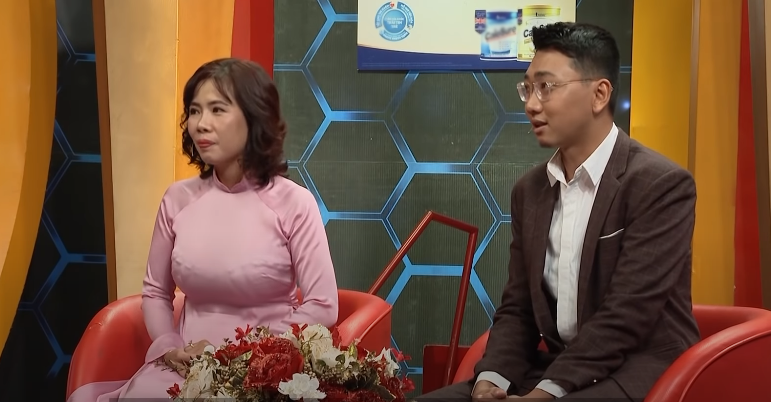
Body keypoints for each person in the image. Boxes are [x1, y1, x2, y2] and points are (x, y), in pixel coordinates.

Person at [417, 22, 699, 401]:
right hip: (558, 367)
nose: (532, 104)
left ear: (599, 94)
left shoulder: (660, 185)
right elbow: (518, 309)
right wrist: (490, 382)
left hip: (638, 372)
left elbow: (625, 316)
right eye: (528, 88)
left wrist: (542, 395)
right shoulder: (529, 191)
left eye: (546, 87)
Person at [67, 58, 339, 402]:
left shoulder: (294, 203)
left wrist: (248, 355)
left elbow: (322, 305)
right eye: (194, 111)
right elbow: (156, 292)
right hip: (186, 366)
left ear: (254, 117)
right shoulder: (177, 199)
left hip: (264, 368)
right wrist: (169, 346)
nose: (200, 124)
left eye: (217, 110)